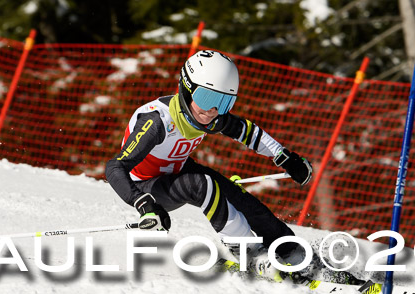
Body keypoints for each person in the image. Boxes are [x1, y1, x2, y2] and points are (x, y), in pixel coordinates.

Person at [105, 50, 313, 276]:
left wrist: (285, 157)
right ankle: (250, 253)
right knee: (203, 185)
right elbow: (115, 167)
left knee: (236, 194)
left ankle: (289, 248)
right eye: (206, 98)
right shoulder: (158, 122)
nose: (212, 111)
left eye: (224, 103)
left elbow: (248, 133)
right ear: (186, 88)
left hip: (177, 171)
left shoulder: (209, 116)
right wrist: (144, 205)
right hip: (147, 187)